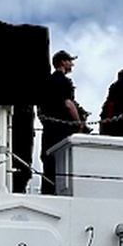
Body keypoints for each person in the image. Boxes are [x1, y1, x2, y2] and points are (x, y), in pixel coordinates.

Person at [39, 50, 86, 195]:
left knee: (48, 164)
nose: (71, 64)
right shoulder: (65, 82)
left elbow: (39, 109)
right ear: (62, 62)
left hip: (48, 129)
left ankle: (47, 192)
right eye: (69, 61)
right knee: (63, 163)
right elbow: (68, 104)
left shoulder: (46, 81)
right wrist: (79, 123)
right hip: (62, 130)